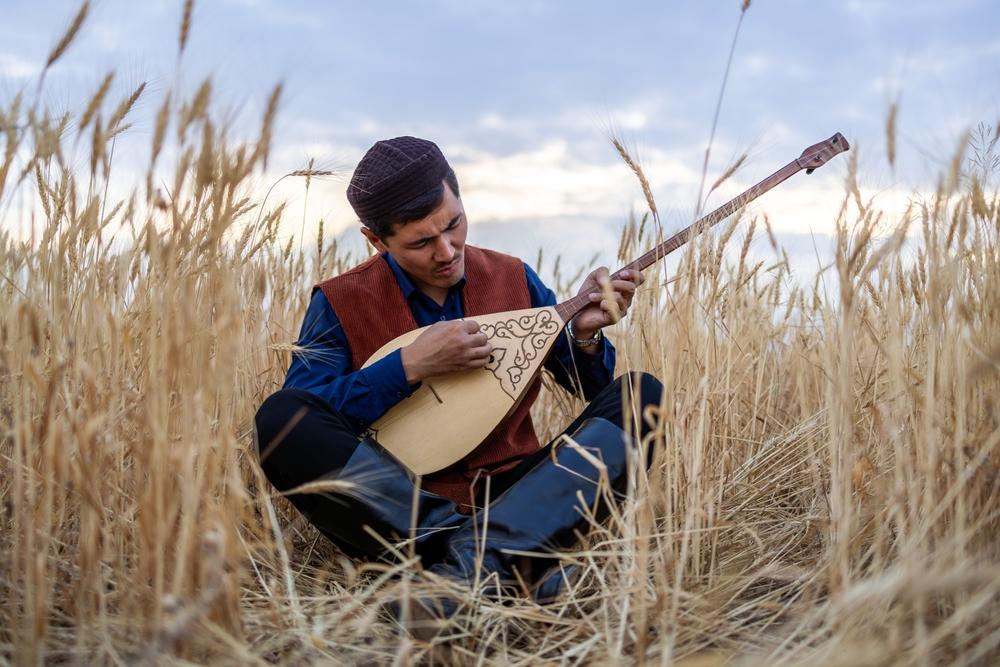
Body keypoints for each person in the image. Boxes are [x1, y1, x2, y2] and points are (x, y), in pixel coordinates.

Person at [253, 136, 663, 615]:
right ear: (376, 239)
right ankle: (502, 562)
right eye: (422, 242)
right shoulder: (341, 301)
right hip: (404, 508)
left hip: (523, 492)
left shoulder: (513, 277)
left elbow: (593, 396)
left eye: (454, 225)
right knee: (280, 419)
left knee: (641, 397)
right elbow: (310, 415)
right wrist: (407, 367)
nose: (447, 251)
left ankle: (460, 573)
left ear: (461, 198)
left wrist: (585, 338)